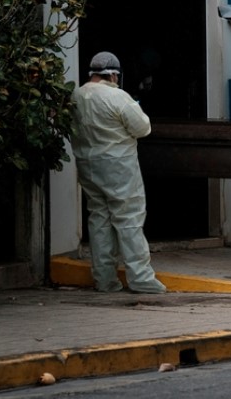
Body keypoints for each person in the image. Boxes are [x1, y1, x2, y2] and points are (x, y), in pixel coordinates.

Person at [71, 51, 166, 294]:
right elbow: (142, 128)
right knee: (129, 220)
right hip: (119, 166)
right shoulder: (117, 96)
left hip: (87, 165)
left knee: (99, 219)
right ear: (114, 74)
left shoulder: (76, 95)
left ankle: (104, 280)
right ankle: (141, 279)